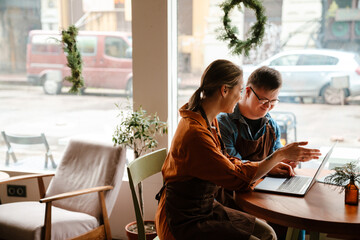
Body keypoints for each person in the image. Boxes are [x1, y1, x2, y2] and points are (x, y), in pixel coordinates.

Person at [155, 59, 320, 240]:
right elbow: (235, 178)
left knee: (268, 233)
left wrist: (277, 158)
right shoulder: (196, 133)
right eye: (240, 90)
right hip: (184, 220)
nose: (240, 96)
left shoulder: (209, 120)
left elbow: (227, 160)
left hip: (206, 208)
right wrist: (280, 155)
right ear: (224, 90)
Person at [217, 66, 296, 177]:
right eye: (263, 100)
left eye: (273, 101)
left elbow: (277, 157)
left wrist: (287, 160)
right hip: (236, 189)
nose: (268, 106)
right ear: (248, 91)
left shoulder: (272, 126)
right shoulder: (224, 123)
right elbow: (232, 166)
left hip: (264, 189)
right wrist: (268, 168)